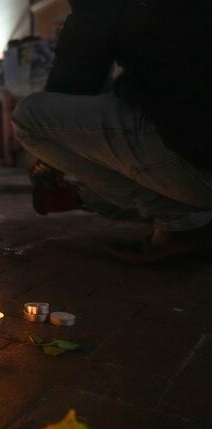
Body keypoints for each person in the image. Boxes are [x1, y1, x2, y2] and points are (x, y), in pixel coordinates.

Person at [12, 0, 212, 264]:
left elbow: (78, 69)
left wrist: (48, 164)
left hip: (198, 149)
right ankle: (181, 214)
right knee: (100, 187)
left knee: (29, 118)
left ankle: (181, 222)